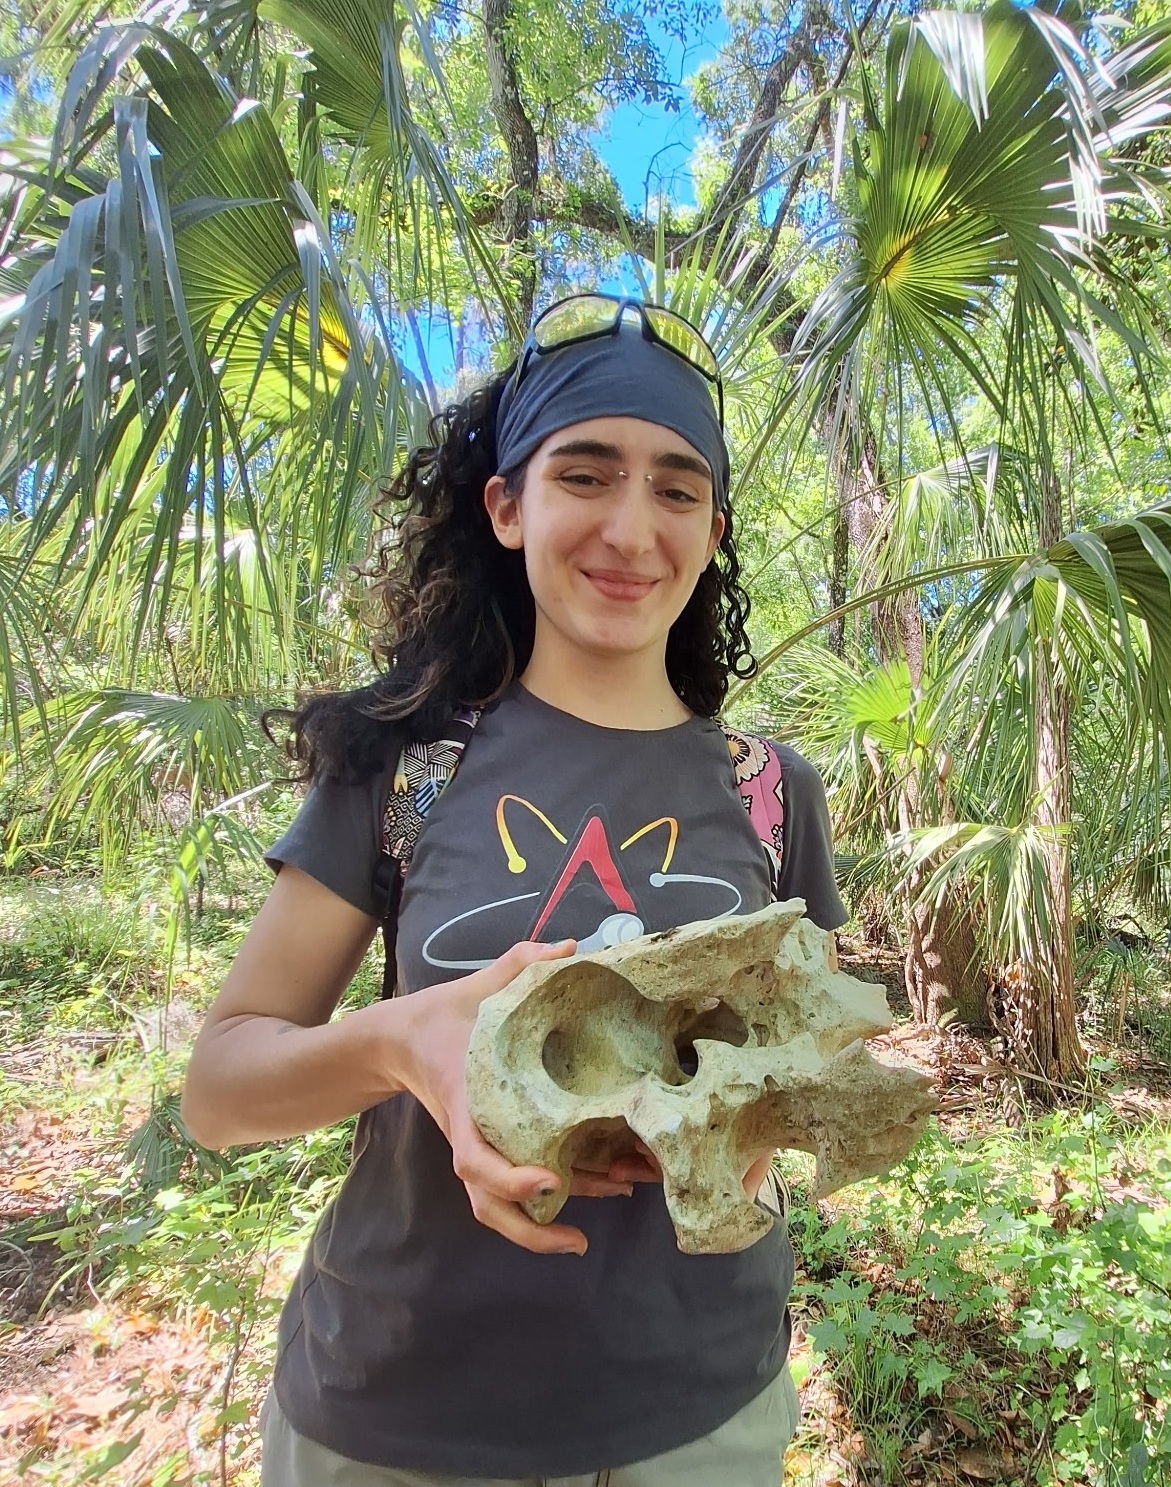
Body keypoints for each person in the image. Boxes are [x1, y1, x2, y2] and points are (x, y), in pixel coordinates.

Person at [181, 293, 847, 1487]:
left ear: (713, 523)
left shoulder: (772, 792)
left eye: (676, 487)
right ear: (506, 503)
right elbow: (219, 1092)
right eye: (584, 474)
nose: (632, 530)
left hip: (701, 1411)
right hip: (399, 1413)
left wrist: (765, 1117)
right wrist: (397, 1046)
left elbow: (813, 1057)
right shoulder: (403, 771)